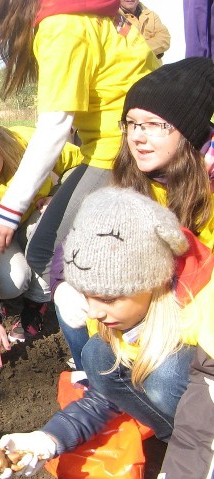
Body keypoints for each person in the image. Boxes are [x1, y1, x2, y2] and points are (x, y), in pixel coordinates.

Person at [0, 187, 209, 478]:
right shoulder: (127, 310)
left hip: (207, 419)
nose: (93, 312)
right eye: (87, 296)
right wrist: (49, 439)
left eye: (107, 299)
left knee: (167, 374)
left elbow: (205, 415)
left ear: (152, 282)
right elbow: (104, 398)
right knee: (98, 355)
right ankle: (174, 440)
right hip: (192, 429)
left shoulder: (204, 309)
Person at [0, 0, 158, 281]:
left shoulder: (60, 26)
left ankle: (115, 316)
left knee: (47, 254)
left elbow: (54, 127)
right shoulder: (80, 9)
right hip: (129, 143)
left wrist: (8, 212)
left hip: (120, 151)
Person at [54, 56, 214, 373]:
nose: (138, 136)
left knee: (164, 378)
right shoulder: (134, 180)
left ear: (189, 131)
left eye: (154, 125)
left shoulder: (207, 190)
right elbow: (92, 254)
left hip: (196, 323)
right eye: (132, 123)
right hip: (144, 310)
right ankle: (101, 385)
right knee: (72, 300)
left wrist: (159, 321)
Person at [0, 109, 81, 368]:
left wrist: (58, 192)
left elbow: (81, 163)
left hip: (35, 225)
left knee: (45, 225)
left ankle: (36, 306)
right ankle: (10, 301)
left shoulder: (33, 146)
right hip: (2, 240)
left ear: (2, 144)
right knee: (13, 282)